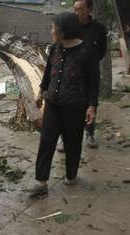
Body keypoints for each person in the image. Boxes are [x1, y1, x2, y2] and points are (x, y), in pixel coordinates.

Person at [27, 12, 100, 196]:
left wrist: (92, 106)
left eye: (53, 28)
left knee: (73, 143)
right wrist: (41, 92)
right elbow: (48, 73)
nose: (51, 31)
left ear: (63, 30)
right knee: (46, 142)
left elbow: (93, 82)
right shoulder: (55, 48)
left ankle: (71, 175)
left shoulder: (87, 51)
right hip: (53, 104)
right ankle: (41, 182)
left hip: (75, 106)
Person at [57, 0, 107, 152]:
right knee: (67, 105)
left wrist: (89, 64)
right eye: (75, 9)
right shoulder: (70, 27)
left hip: (90, 73)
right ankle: (65, 138)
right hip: (70, 74)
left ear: (89, 10)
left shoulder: (98, 29)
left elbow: (102, 51)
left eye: (80, 9)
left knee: (91, 103)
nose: (76, 12)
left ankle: (89, 133)